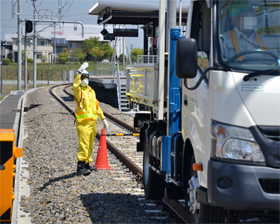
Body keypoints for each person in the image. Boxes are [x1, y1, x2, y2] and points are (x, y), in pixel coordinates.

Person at [73, 62, 109, 175]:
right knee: (83, 144)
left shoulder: (91, 91)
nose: (85, 80)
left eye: (86, 78)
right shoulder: (79, 91)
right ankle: (80, 167)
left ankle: (87, 165)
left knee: (90, 145)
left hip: (93, 123)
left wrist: (103, 118)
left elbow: (96, 107)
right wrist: (79, 72)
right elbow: (75, 85)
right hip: (83, 123)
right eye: (83, 78)